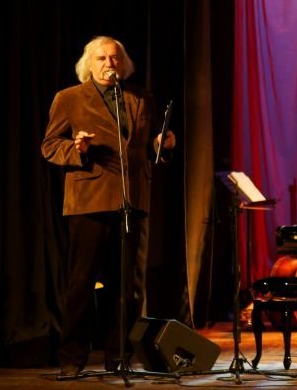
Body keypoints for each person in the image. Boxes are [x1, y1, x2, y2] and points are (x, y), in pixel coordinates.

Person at [42, 36, 176, 377]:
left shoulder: (140, 97)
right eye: (101, 58)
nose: (109, 64)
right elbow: (49, 146)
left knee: (128, 287)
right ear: (89, 64)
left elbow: (145, 147)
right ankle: (71, 359)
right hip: (89, 200)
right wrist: (78, 149)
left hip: (133, 200)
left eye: (114, 58)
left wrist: (162, 145)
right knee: (81, 284)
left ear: (123, 63)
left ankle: (120, 356)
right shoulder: (69, 98)